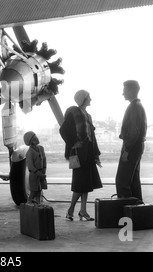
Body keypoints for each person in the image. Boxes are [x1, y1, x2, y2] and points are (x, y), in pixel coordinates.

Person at [59, 90, 103, 221]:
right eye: (88, 97)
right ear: (83, 99)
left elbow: (92, 137)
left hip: (88, 152)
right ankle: (71, 210)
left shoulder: (88, 116)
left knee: (86, 184)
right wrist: (74, 143)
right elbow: (63, 130)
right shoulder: (73, 112)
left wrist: (96, 154)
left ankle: (82, 210)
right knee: (80, 184)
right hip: (78, 153)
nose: (91, 99)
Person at [115, 80, 147, 201]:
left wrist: (127, 150)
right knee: (133, 180)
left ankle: (125, 211)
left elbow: (134, 132)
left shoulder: (134, 107)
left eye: (124, 90)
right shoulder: (138, 106)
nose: (123, 93)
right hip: (137, 146)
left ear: (131, 90)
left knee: (122, 180)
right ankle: (136, 210)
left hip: (132, 146)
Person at [23, 131, 47, 204]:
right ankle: (28, 205)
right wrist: (40, 174)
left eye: (36, 137)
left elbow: (44, 160)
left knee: (39, 192)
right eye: (34, 138)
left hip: (41, 173)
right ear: (30, 142)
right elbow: (31, 166)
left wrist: (44, 171)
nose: (37, 139)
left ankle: (38, 206)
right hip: (34, 174)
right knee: (34, 192)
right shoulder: (29, 152)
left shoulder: (41, 148)